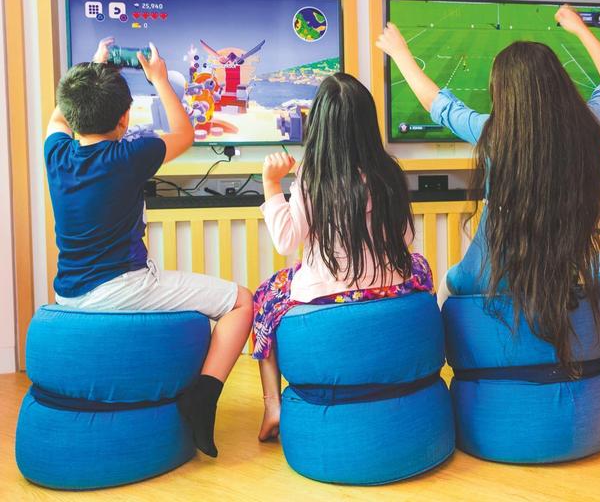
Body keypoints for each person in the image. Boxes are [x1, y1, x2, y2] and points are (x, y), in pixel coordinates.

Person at [376, 5, 600, 368]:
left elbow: (437, 104)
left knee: (447, 285)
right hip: (561, 269)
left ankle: (456, 372)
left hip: (491, 270)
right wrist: (580, 30)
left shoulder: (492, 132)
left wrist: (400, 54)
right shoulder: (586, 125)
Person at [44, 38, 253, 458]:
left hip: (68, 294)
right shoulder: (131, 153)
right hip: (122, 288)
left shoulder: (56, 153)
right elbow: (185, 133)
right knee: (241, 302)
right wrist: (159, 78)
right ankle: (203, 397)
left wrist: (93, 65)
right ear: (124, 119)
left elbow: (59, 115)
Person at [253, 73, 434, 441]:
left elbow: (287, 240)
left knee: (266, 293)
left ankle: (272, 403)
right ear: (369, 124)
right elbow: (406, 237)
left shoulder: (312, 178)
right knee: (421, 266)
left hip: (325, 294)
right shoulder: (389, 173)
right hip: (389, 289)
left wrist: (271, 184)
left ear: (318, 125)